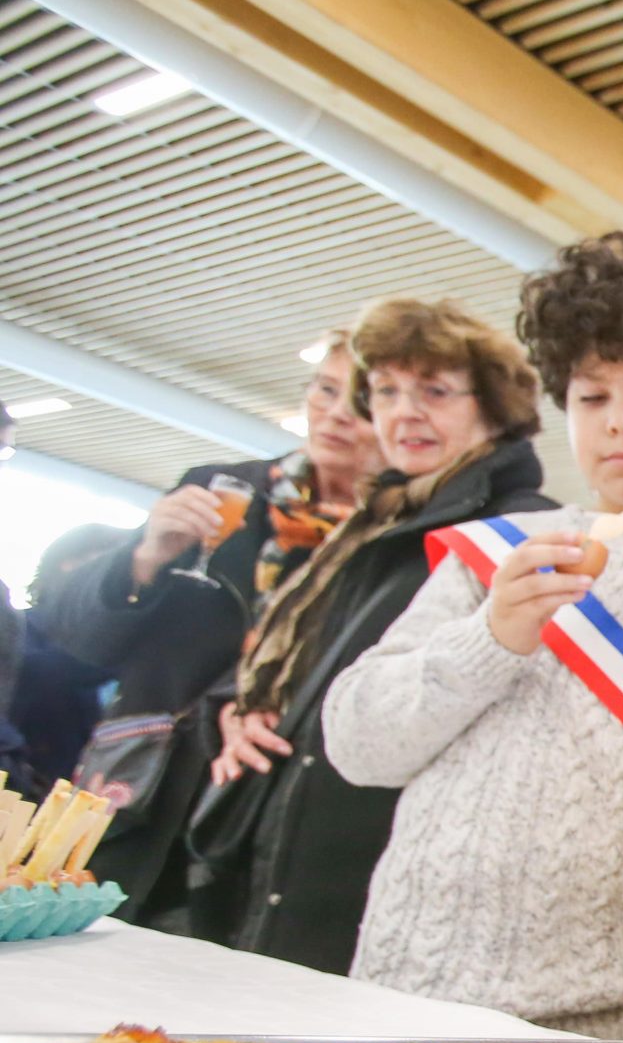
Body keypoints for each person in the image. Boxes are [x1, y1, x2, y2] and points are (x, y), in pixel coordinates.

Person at [323, 235, 623, 1038]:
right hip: (411, 988)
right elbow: (357, 743)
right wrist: (491, 637)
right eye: (591, 396)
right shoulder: (495, 553)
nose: (622, 423)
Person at [186, 300, 552, 972]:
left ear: (494, 406)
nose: (404, 413)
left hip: (375, 878)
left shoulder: (518, 532)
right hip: (282, 858)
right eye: (385, 391)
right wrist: (249, 708)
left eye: (433, 392)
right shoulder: (375, 527)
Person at [35, 335, 383, 925]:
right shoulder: (221, 490)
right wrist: (144, 558)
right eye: (325, 390)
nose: (337, 414)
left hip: (273, 806)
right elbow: (80, 638)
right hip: (141, 789)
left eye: (363, 401)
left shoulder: (391, 540)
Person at [3, 524, 127, 797]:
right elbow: (43, 671)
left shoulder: (121, 659)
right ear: (67, 564)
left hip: (62, 798)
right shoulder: (20, 628)